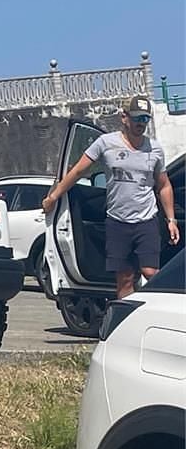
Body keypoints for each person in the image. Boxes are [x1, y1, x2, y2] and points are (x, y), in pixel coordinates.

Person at [42, 95, 180, 298]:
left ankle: (166, 308)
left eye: (145, 119)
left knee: (151, 272)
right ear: (124, 117)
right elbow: (78, 171)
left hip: (146, 219)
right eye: (137, 118)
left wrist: (171, 220)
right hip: (117, 222)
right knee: (124, 278)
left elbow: (164, 185)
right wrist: (54, 197)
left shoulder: (155, 149)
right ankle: (127, 320)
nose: (141, 124)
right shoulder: (105, 143)